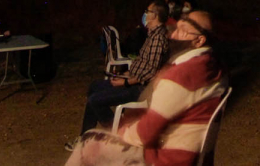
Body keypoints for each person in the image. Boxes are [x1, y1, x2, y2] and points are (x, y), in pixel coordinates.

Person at [67, 10, 228, 166]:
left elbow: (145, 133)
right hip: (194, 156)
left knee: (88, 142)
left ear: (199, 41)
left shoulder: (181, 75)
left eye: (182, 31)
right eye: (176, 28)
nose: (173, 35)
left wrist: (122, 132)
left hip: (165, 159)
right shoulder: (214, 67)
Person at [77, 1, 171, 140]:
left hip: (141, 88)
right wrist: (124, 75)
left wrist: (125, 82)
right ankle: (86, 135)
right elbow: (142, 64)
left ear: (155, 15)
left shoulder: (158, 38)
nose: (145, 14)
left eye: (148, 11)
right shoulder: (152, 34)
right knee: (94, 87)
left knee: (94, 100)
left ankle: (118, 132)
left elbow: (150, 73)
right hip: (134, 81)